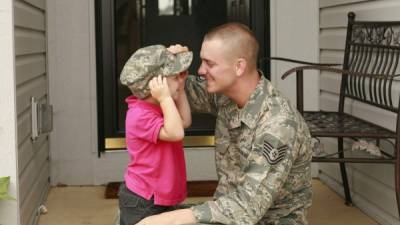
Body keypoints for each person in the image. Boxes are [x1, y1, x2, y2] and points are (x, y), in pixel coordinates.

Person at [136, 22, 313, 225]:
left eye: (209, 64)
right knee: (136, 217)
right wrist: (167, 64)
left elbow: (247, 207)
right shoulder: (226, 96)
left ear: (239, 66)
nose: (201, 70)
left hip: (263, 219)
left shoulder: (278, 124)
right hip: (229, 213)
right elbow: (167, 89)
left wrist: (170, 219)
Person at [118, 44, 193, 225]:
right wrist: (166, 98)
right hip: (143, 201)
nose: (181, 80)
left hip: (158, 196)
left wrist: (179, 88)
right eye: (175, 77)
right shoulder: (139, 115)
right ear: (155, 86)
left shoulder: (157, 106)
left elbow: (184, 122)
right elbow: (176, 133)